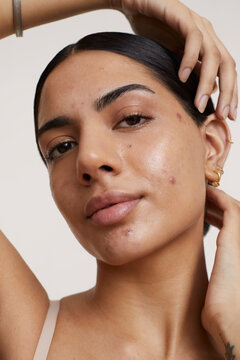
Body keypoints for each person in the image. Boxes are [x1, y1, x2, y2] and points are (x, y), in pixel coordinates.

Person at [0, 1, 239, 360]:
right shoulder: (24, 338)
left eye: (131, 119)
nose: (90, 159)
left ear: (211, 146)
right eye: (62, 146)